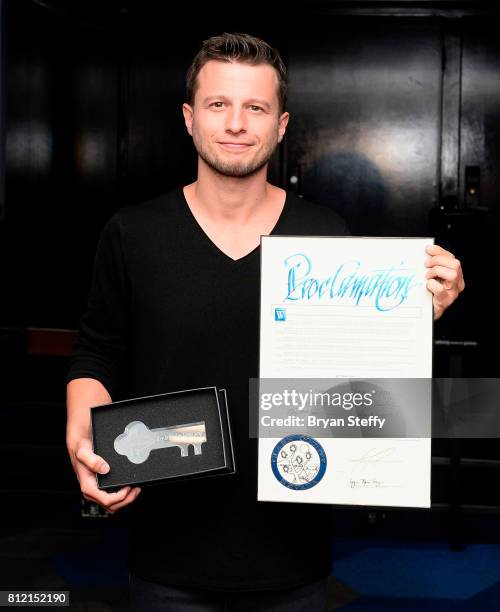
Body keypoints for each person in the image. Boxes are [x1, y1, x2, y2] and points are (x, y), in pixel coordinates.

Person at [65, 32, 465, 611]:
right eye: (217, 105)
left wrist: (413, 319)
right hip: (166, 552)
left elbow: (361, 387)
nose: (235, 123)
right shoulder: (133, 233)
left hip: (293, 551)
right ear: (189, 118)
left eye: (255, 107)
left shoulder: (327, 236)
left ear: (280, 126)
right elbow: (96, 353)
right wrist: (81, 430)